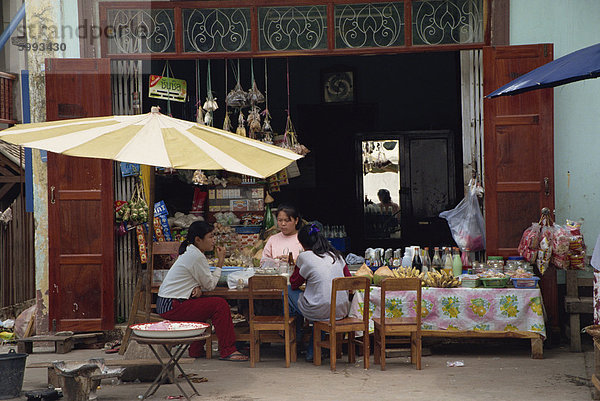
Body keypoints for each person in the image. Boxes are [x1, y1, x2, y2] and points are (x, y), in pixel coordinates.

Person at [156, 221, 248, 361]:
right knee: (219, 305)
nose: (213, 241)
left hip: (167, 302)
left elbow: (196, 280)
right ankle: (228, 350)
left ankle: (196, 350)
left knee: (202, 305)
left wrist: (196, 286)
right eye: (210, 237)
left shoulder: (191, 252)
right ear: (198, 240)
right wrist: (220, 262)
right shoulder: (196, 256)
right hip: (172, 305)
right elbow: (210, 285)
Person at [288, 224, 352, 362]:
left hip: (319, 310)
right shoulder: (337, 255)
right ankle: (312, 352)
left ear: (303, 243)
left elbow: (294, 283)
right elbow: (349, 281)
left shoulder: (304, 256)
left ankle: (295, 333)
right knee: (324, 302)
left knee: (287, 291)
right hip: (341, 309)